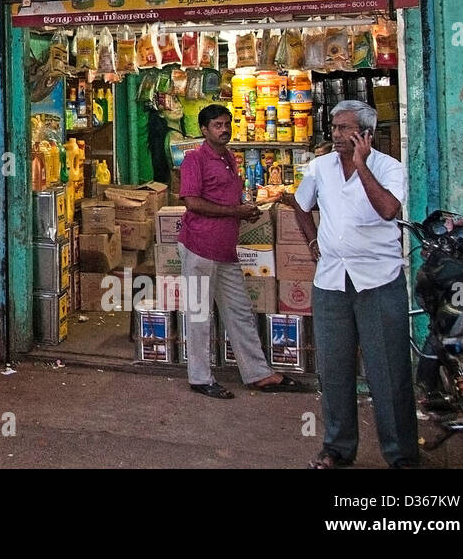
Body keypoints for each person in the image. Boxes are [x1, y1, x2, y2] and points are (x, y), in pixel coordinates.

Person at [287, 99, 418, 469]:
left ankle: (401, 455)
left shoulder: (389, 167)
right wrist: (313, 243)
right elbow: (299, 204)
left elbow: (389, 209)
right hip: (331, 281)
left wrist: (361, 165)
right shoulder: (320, 167)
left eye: (345, 128)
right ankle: (337, 449)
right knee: (334, 370)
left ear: (366, 134)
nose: (337, 133)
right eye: (334, 127)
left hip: (379, 280)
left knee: (388, 372)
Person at [177, 104, 299, 398]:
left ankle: (258, 373)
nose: (224, 129)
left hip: (226, 249)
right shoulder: (194, 160)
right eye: (217, 125)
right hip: (198, 246)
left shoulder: (230, 158)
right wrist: (235, 211)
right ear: (204, 130)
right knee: (199, 315)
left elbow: (228, 200)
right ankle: (199, 377)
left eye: (227, 124)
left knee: (240, 312)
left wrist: (245, 212)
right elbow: (192, 202)